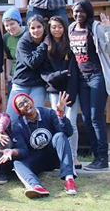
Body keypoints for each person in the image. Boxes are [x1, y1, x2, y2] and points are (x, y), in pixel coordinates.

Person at [0, 92, 77, 198]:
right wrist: (12, 151)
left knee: (60, 136)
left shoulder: (49, 113)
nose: (25, 105)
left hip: (54, 157)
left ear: (32, 100)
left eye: (26, 101)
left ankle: (69, 180)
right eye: (21, 105)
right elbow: (23, 150)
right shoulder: (18, 126)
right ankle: (36, 186)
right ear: (20, 111)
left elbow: (67, 132)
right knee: (17, 162)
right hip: (37, 160)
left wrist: (61, 114)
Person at [69, 0, 110, 170]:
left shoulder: (95, 28)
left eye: (82, 11)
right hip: (81, 79)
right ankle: (96, 156)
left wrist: (107, 28)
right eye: (76, 11)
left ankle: (102, 157)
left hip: (96, 77)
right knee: (86, 119)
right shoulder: (71, 28)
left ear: (88, 12)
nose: (78, 15)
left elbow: (107, 48)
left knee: (96, 118)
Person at [41, 15, 81, 168]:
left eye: (59, 26)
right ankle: (61, 156)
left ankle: (73, 156)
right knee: (58, 122)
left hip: (70, 89)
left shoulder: (70, 46)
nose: (56, 29)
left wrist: (71, 92)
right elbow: (44, 71)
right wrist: (55, 78)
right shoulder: (46, 45)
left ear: (64, 27)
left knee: (71, 122)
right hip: (54, 90)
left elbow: (73, 72)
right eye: (53, 27)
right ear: (49, 29)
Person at [7, 15, 48, 122]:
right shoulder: (23, 42)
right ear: (29, 29)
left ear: (44, 27)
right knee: (11, 120)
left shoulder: (49, 39)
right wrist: (43, 46)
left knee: (35, 118)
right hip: (21, 84)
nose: (36, 30)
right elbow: (32, 63)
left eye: (39, 27)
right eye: (33, 28)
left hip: (38, 85)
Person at [2, 8, 26, 91]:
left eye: (12, 24)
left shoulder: (29, 32)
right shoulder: (6, 38)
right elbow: (9, 57)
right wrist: (8, 74)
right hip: (15, 75)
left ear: (19, 22)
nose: (9, 27)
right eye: (6, 25)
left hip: (29, 74)